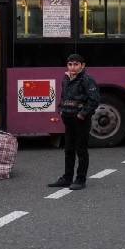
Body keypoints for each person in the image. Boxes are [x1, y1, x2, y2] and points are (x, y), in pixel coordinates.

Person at [47, 53, 100, 190]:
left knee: (81, 150)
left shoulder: (87, 79)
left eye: (76, 64)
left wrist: (82, 114)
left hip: (80, 119)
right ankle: (67, 178)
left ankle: (80, 179)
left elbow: (94, 100)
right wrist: (61, 110)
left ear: (83, 65)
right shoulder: (66, 78)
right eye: (70, 64)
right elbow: (63, 96)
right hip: (68, 117)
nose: (73, 67)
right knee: (69, 149)